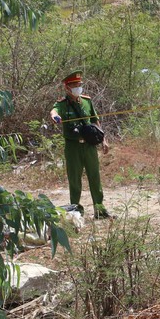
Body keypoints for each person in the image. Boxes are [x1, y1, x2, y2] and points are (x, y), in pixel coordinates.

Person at [50, 70, 112, 219]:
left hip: (89, 146)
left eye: (79, 84)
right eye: (75, 85)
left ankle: (100, 209)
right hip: (73, 147)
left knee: (94, 177)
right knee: (75, 180)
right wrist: (55, 117)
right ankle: (76, 211)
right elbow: (54, 112)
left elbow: (95, 120)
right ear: (67, 87)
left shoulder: (87, 101)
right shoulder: (62, 104)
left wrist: (103, 139)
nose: (78, 87)